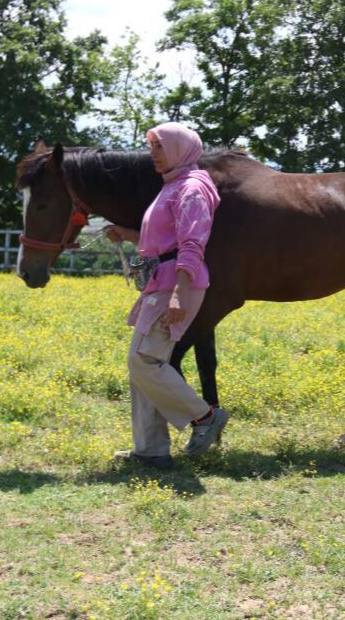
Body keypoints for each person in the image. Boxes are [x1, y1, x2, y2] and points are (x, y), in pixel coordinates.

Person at [106, 122, 228, 469]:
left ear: (179, 148)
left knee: (143, 361)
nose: (153, 154)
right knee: (144, 365)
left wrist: (179, 295)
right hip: (160, 284)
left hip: (175, 286)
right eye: (152, 146)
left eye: (160, 146)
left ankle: (205, 417)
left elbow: (192, 246)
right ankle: (151, 450)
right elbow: (165, 243)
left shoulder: (190, 189)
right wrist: (128, 234)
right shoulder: (173, 186)